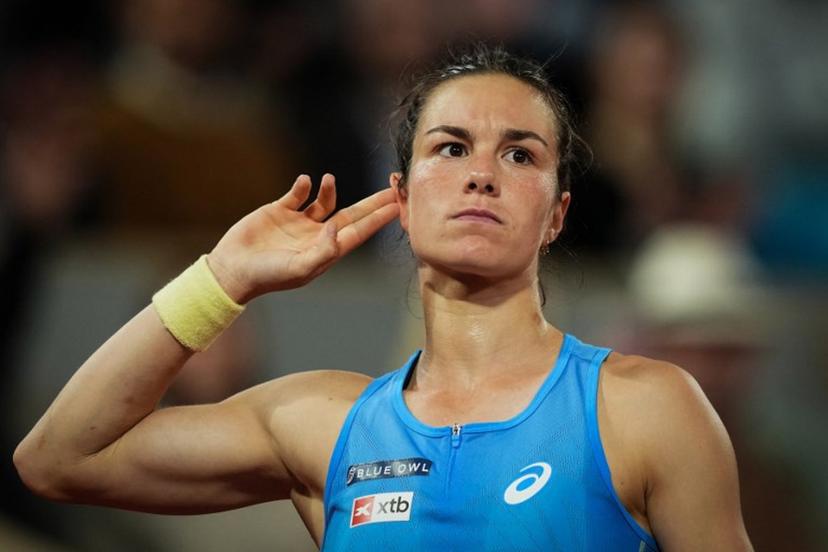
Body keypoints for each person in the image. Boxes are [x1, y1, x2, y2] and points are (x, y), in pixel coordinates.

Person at [13, 46, 752, 551]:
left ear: (557, 213)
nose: (481, 175)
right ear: (402, 196)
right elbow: (60, 458)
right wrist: (222, 279)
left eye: (520, 154)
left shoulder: (647, 407)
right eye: (450, 147)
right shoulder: (322, 426)